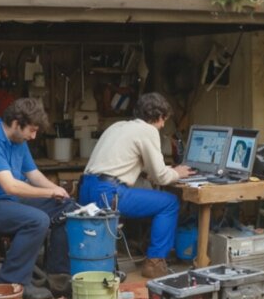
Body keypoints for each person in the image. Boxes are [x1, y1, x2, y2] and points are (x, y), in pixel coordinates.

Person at [0, 98, 76, 299]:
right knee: (37, 220)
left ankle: (58, 278)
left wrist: (57, 190)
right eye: (32, 130)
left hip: (7, 202)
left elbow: (33, 175)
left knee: (67, 208)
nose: (34, 136)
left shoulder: (18, 140)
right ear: (15, 123)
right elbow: (10, 186)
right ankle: (12, 281)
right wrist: (49, 193)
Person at [79, 92, 194, 278]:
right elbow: (162, 177)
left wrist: (149, 171)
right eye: (163, 120)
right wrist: (177, 173)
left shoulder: (117, 126)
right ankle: (155, 263)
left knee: (152, 198)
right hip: (108, 193)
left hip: (86, 188)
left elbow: (120, 162)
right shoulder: (148, 130)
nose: (163, 125)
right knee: (170, 203)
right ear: (157, 116)